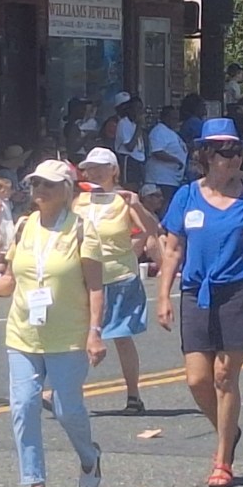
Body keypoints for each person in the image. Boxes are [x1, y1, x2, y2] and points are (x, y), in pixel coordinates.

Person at [0, 160, 105, 487]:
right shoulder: (24, 226)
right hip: (23, 332)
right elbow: (11, 279)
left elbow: (96, 287)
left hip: (68, 334)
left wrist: (95, 332)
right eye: (36, 183)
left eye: (49, 184)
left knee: (67, 410)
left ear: (66, 190)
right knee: (23, 405)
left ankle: (89, 456)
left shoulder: (81, 229)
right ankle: (35, 482)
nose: (40, 190)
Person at [157, 118, 243, 487]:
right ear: (207, 155)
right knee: (197, 379)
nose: (234, 158)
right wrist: (163, 296)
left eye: (238, 151)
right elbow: (172, 250)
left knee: (225, 376)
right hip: (197, 291)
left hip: (241, 290)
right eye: (226, 152)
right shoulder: (186, 196)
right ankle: (229, 429)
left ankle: (223, 459)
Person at [75, 147, 159, 413]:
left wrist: (136, 205)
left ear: (113, 170)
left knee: (121, 337)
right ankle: (67, 393)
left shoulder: (123, 199)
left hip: (118, 275)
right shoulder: (79, 201)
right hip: (84, 277)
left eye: (100, 167)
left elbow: (152, 229)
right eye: (89, 168)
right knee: (77, 336)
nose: (94, 172)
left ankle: (133, 396)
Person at [146, 105, 189, 203]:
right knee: (163, 206)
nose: (176, 121)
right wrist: (176, 160)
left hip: (172, 179)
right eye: (173, 118)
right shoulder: (159, 131)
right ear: (165, 117)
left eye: (177, 118)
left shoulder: (171, 132)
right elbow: (157, 152)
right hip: (161, 180)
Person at [113, 92, 146, 190]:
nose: (140, 112)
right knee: (130, 187)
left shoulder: (134, 124)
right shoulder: (124, 123)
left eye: (141, 108)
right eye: (137, 108)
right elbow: (129, 147)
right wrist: (139, 126)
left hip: (139, 160)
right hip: (128, 161)